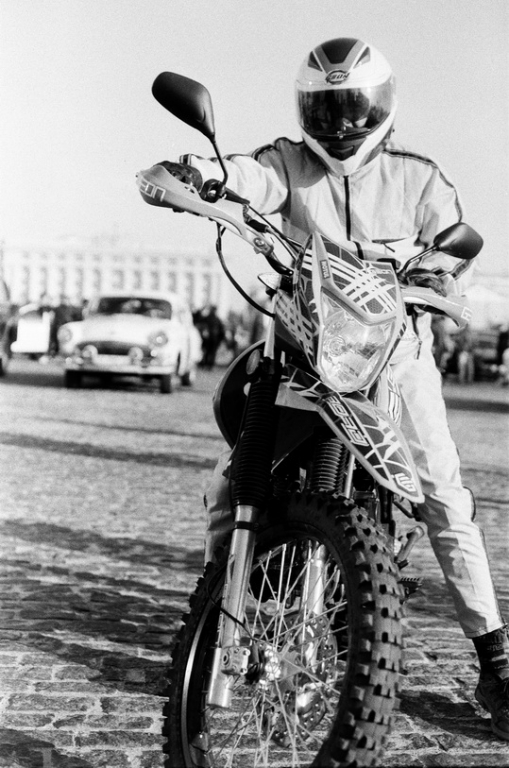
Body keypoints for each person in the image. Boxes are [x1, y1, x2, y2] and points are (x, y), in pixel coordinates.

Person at [172, 38, 509, 738]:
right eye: (327, 109)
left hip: (395, 356)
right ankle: (221, 619)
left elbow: (454, 251)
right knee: (228, 486)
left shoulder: (418, 177)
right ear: (306, 110)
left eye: (355, 107)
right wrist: (198, 173)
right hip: (301, 345)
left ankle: (495, 657)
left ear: (382, 105)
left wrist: (439, 274)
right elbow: (243, 178)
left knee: (444, 496)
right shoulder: (286, 163)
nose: (343, 123)